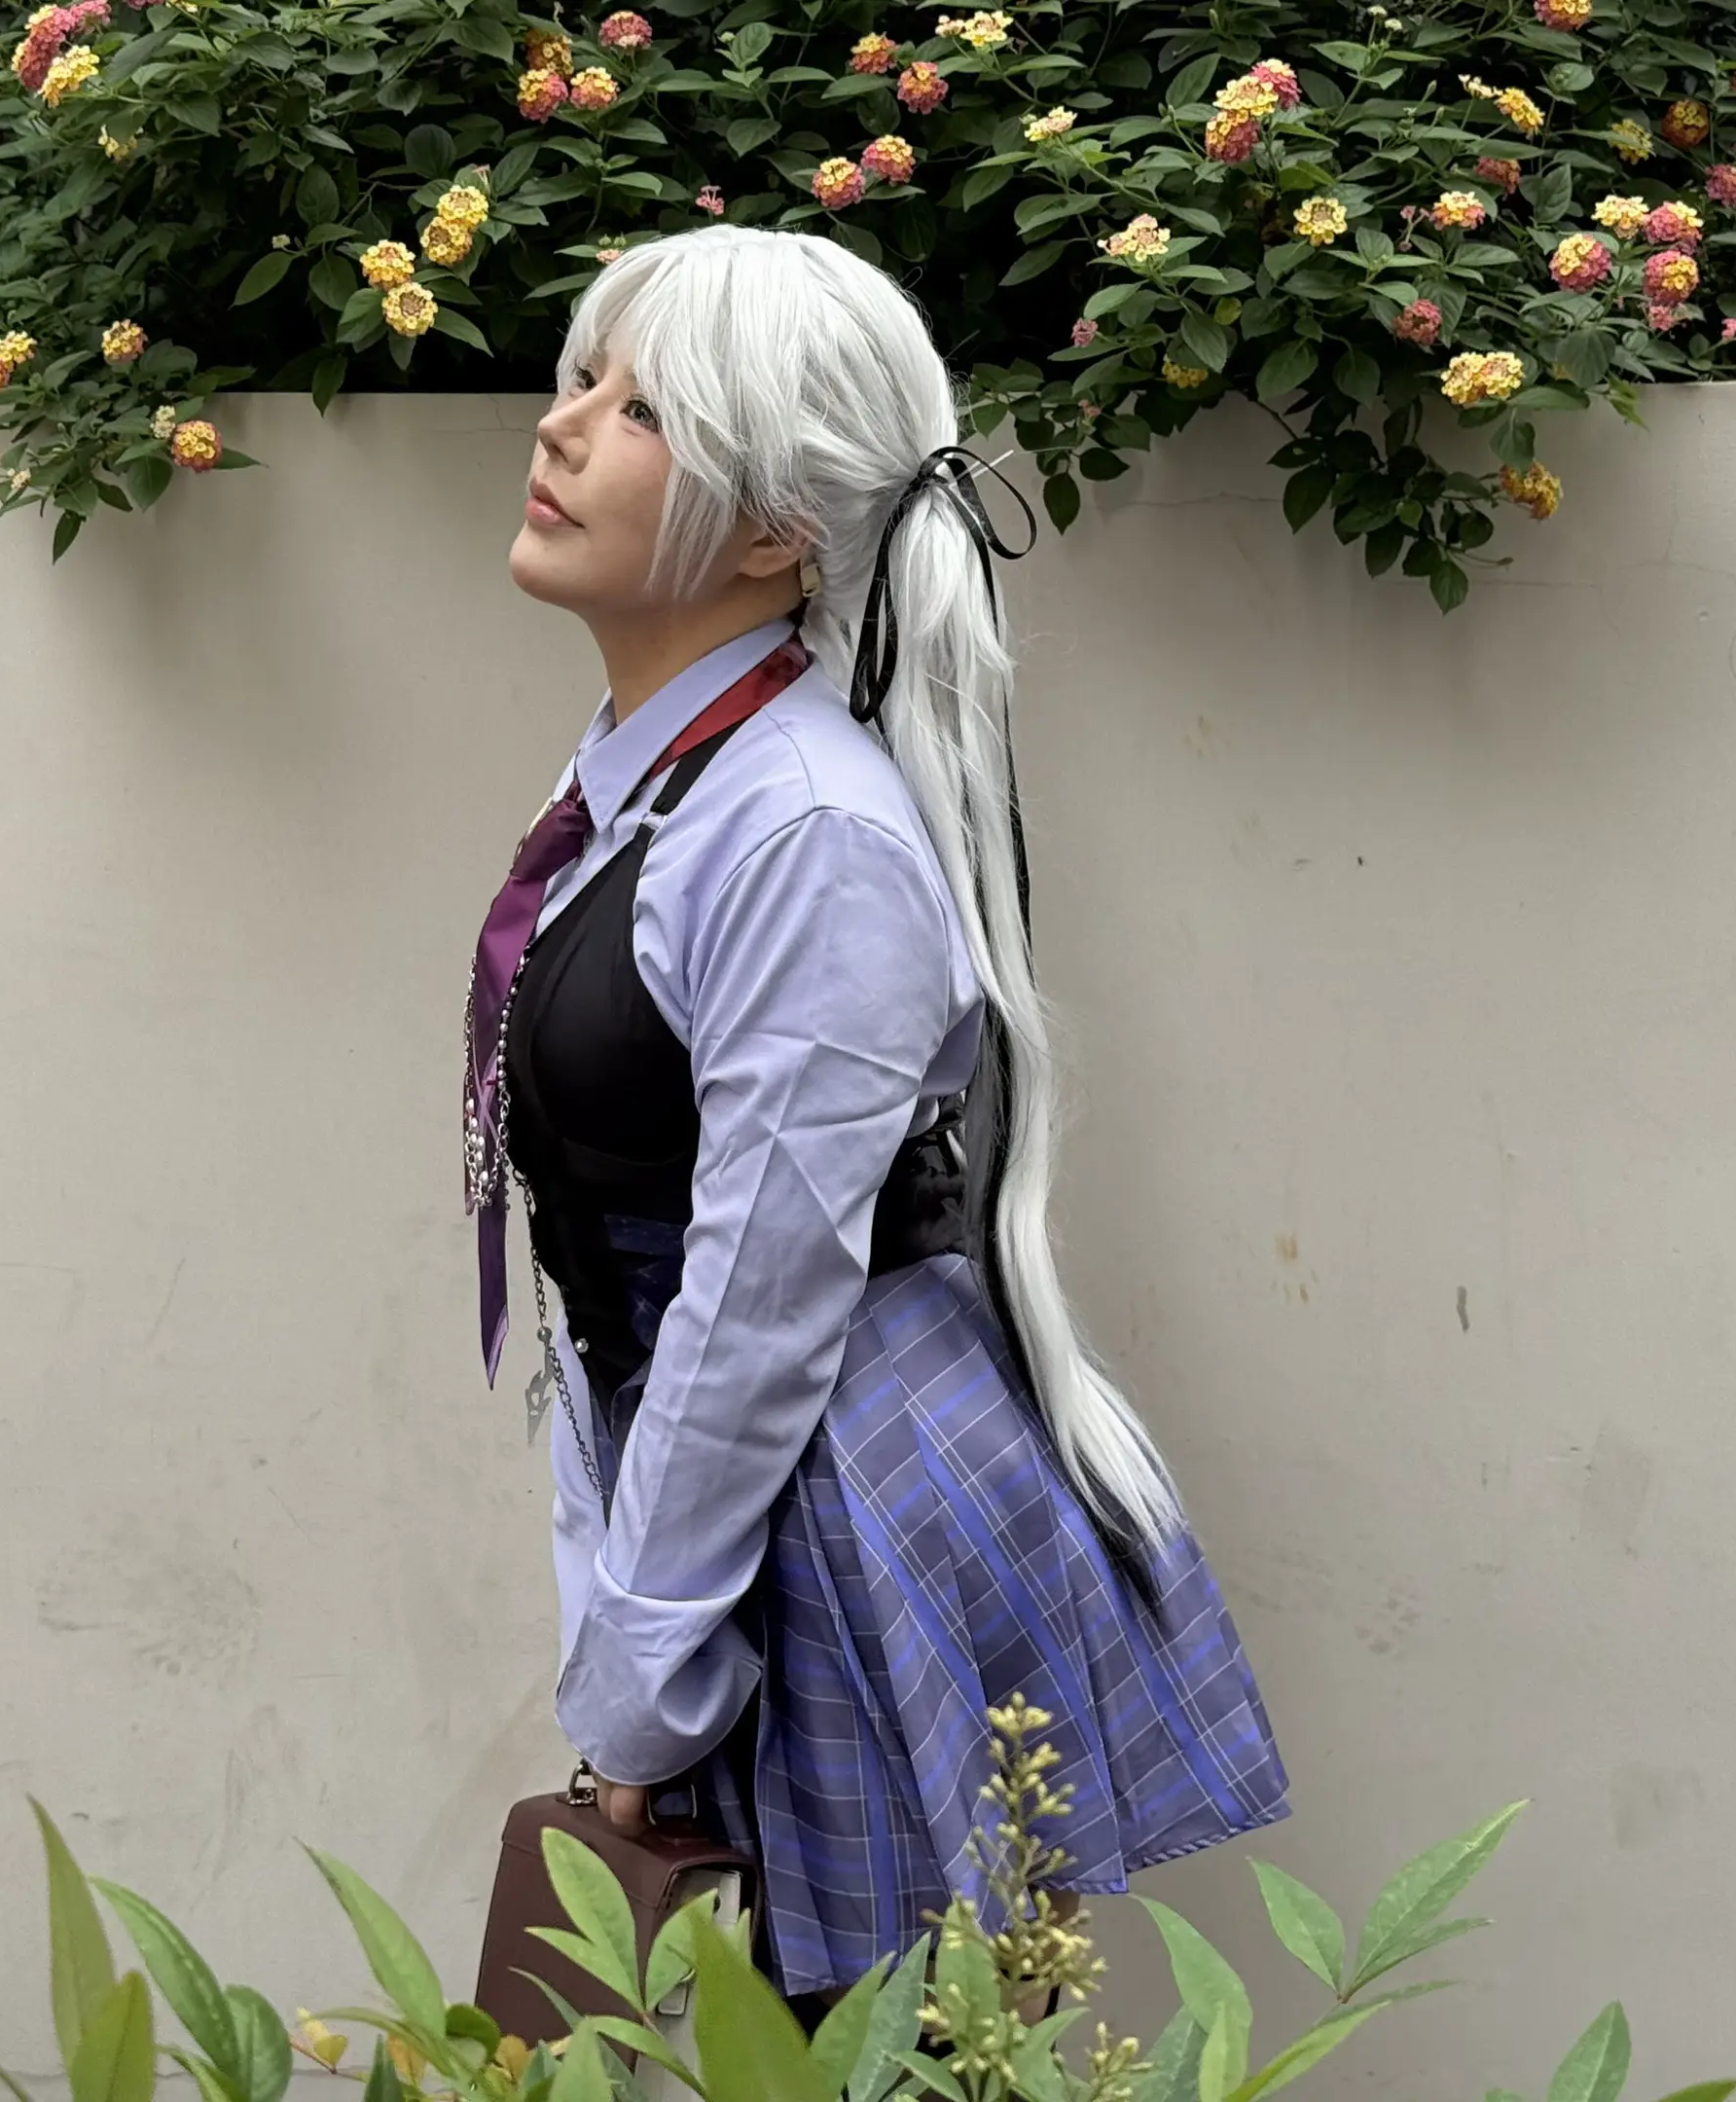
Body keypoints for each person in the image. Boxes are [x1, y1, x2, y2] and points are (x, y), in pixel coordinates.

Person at [460, 225, 1287, 2001]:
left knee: (878, 2054)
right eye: (585, 379)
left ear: (775, 531)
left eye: (643, 410)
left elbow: (759, 1304)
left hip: (835, 1533)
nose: (563, 424)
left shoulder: (804, 832)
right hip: (742, 1520)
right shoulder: (662, 783)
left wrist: (636, 1692)